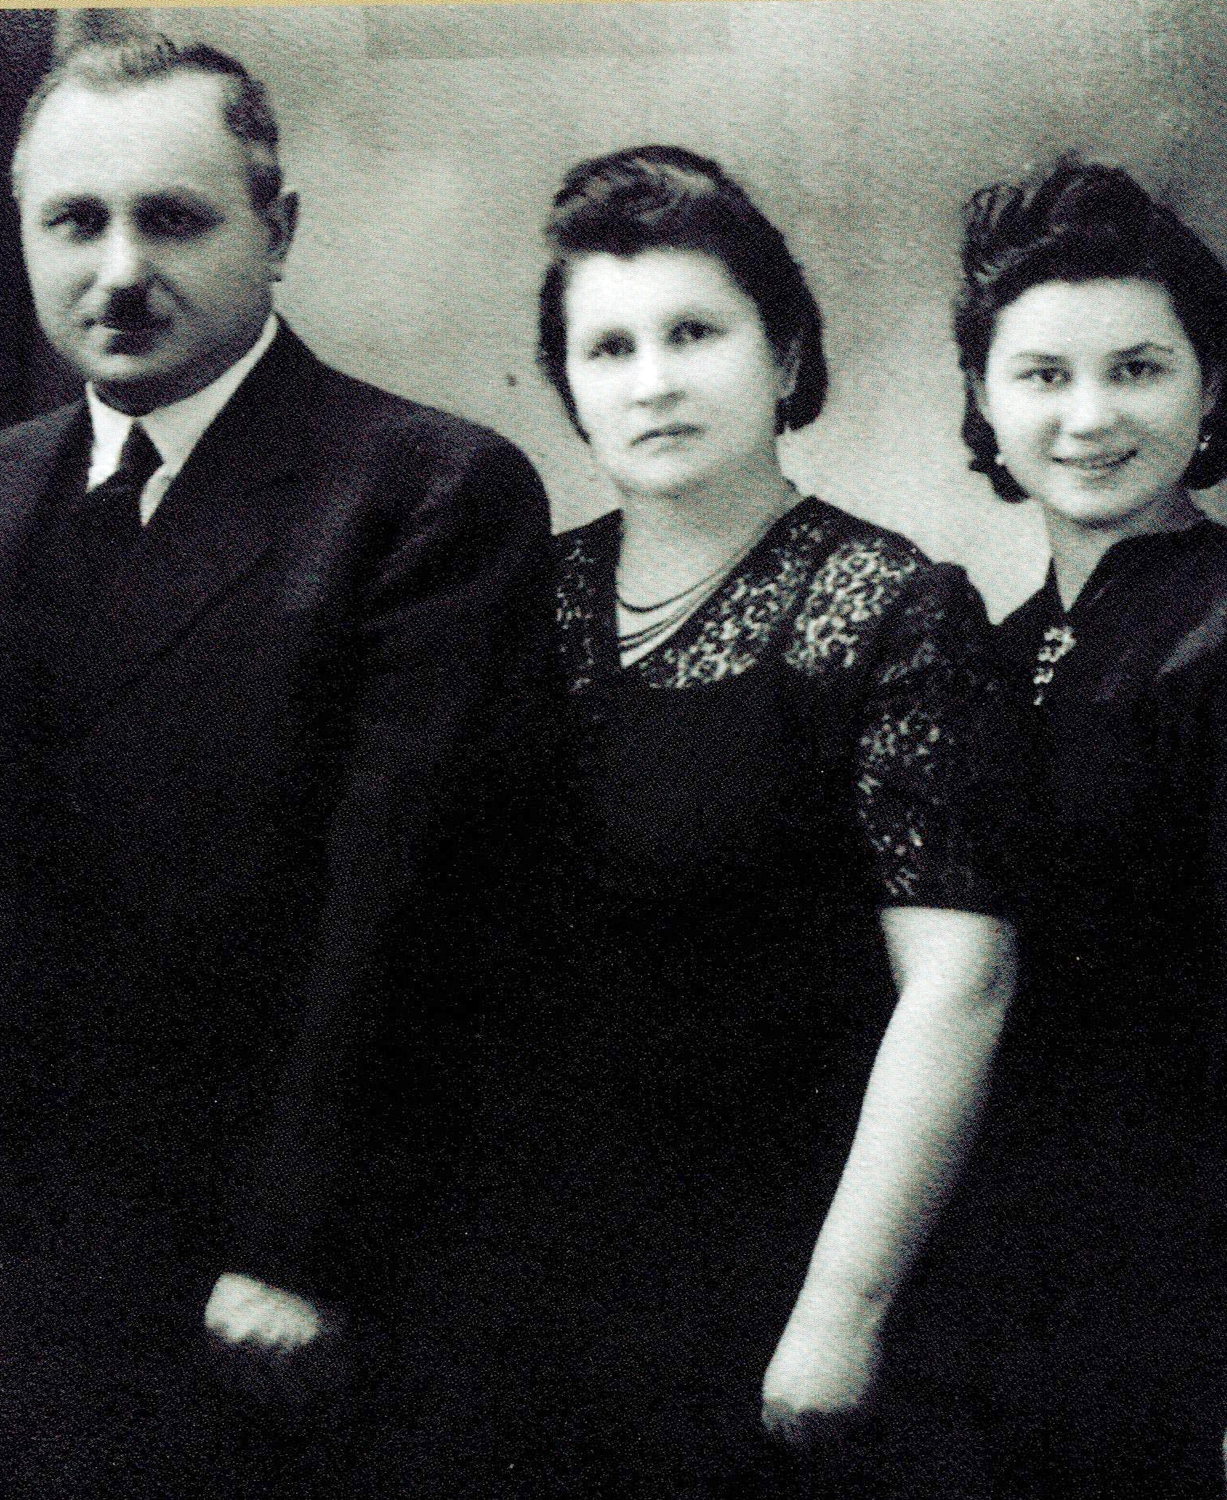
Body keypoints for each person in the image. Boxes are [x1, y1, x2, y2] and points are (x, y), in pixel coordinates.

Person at [0, 35, 553, 1498]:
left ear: (278, 230)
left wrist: (297, 1250)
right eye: (73, 222)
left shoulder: (425, 490)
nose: (119, 271)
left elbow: (400, 914)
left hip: (257, 1292)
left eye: (173, 218)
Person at [388, 144, 1019, 1500]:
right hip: (518, 1270)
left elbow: (958, 986)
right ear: (568, 388)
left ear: (785, 355)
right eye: (608, 349)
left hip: (771, 1277)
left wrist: (842, 1310)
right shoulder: (520, 601)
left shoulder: (888, 610)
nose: (654, 381)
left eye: (695, 333)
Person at [940, 158, 1227, 1500]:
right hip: (1016, 1269)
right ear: (984, 399)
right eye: (1042, 375)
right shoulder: (997, 646)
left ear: (1211, 386)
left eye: (1138, 369)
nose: (1089, 417)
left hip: (1206, 1286)